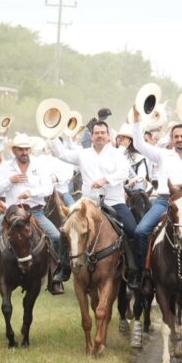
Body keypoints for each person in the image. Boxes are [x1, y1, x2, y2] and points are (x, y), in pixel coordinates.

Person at [49, 121, 140, 292]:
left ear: (108, 136)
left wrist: (105, 180)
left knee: (132, 230)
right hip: (88, 202)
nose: (99, 135)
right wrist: (52, 133)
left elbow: (123, 172)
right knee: (66, 227)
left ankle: (134, 271)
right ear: (91, 137)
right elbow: (60, 153)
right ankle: (64, 268)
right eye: (96, 133)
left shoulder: (117, 154)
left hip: (113, 200)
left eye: (102, 133)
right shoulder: (82, 154)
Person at [131, 107, 182, 286]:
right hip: (164, 201)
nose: (180, 139)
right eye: (176, 136)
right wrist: (136, 120)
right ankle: (144, 272)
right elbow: (138, 145)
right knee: (140, 231)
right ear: (172, 139)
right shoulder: (163, 155)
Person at [0, 133, 60, 293]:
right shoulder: (5, 167)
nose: (24, 152)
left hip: (35, 213)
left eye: (26, 149)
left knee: (56, 237)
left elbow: (48, 188)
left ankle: (54, 278)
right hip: (11, 215)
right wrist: (10, 181)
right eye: (20, 149)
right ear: (14, 150)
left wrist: (31, 192)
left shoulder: (39, 166)